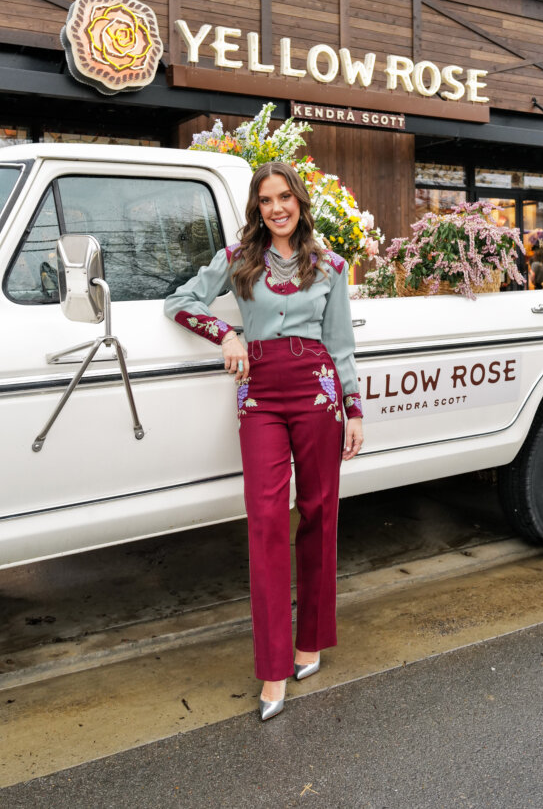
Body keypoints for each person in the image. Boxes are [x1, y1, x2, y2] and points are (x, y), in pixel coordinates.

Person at [164, 161, 364, 721]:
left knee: (320, 512)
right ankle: (273, 667)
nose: (277, 208)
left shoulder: (330, 265)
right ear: (257, 207)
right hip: (259, 397)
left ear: (300, 202)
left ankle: (311, 642)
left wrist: (353, 409)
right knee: (268, 521)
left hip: (319, 390)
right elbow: (180, 301)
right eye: (266, 199)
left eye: (286, 198)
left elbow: (341, 344)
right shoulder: (237, 259)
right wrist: (226, 332)